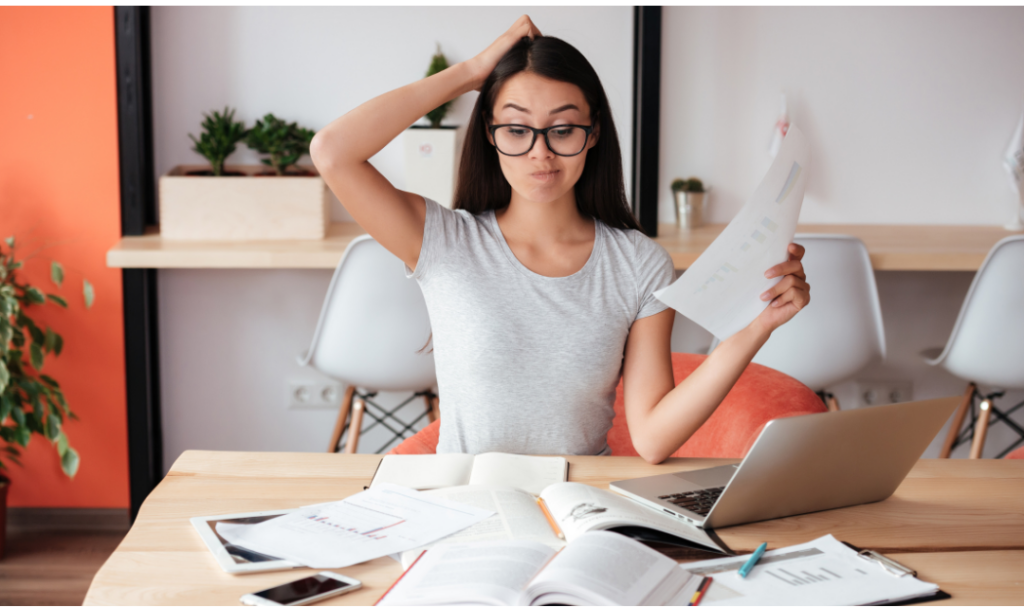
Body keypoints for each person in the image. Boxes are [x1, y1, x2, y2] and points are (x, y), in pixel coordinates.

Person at [310, 16, 810, 464]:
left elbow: (654, 437)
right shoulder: (444, 241)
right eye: (517, 129)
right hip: (465, 506)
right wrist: (471, 72)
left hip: (579, 506)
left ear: (592, 133)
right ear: (489, 132)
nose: (540, 154)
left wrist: (756, 326)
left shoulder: (638, 264)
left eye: (563, 129)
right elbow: (332, 152)